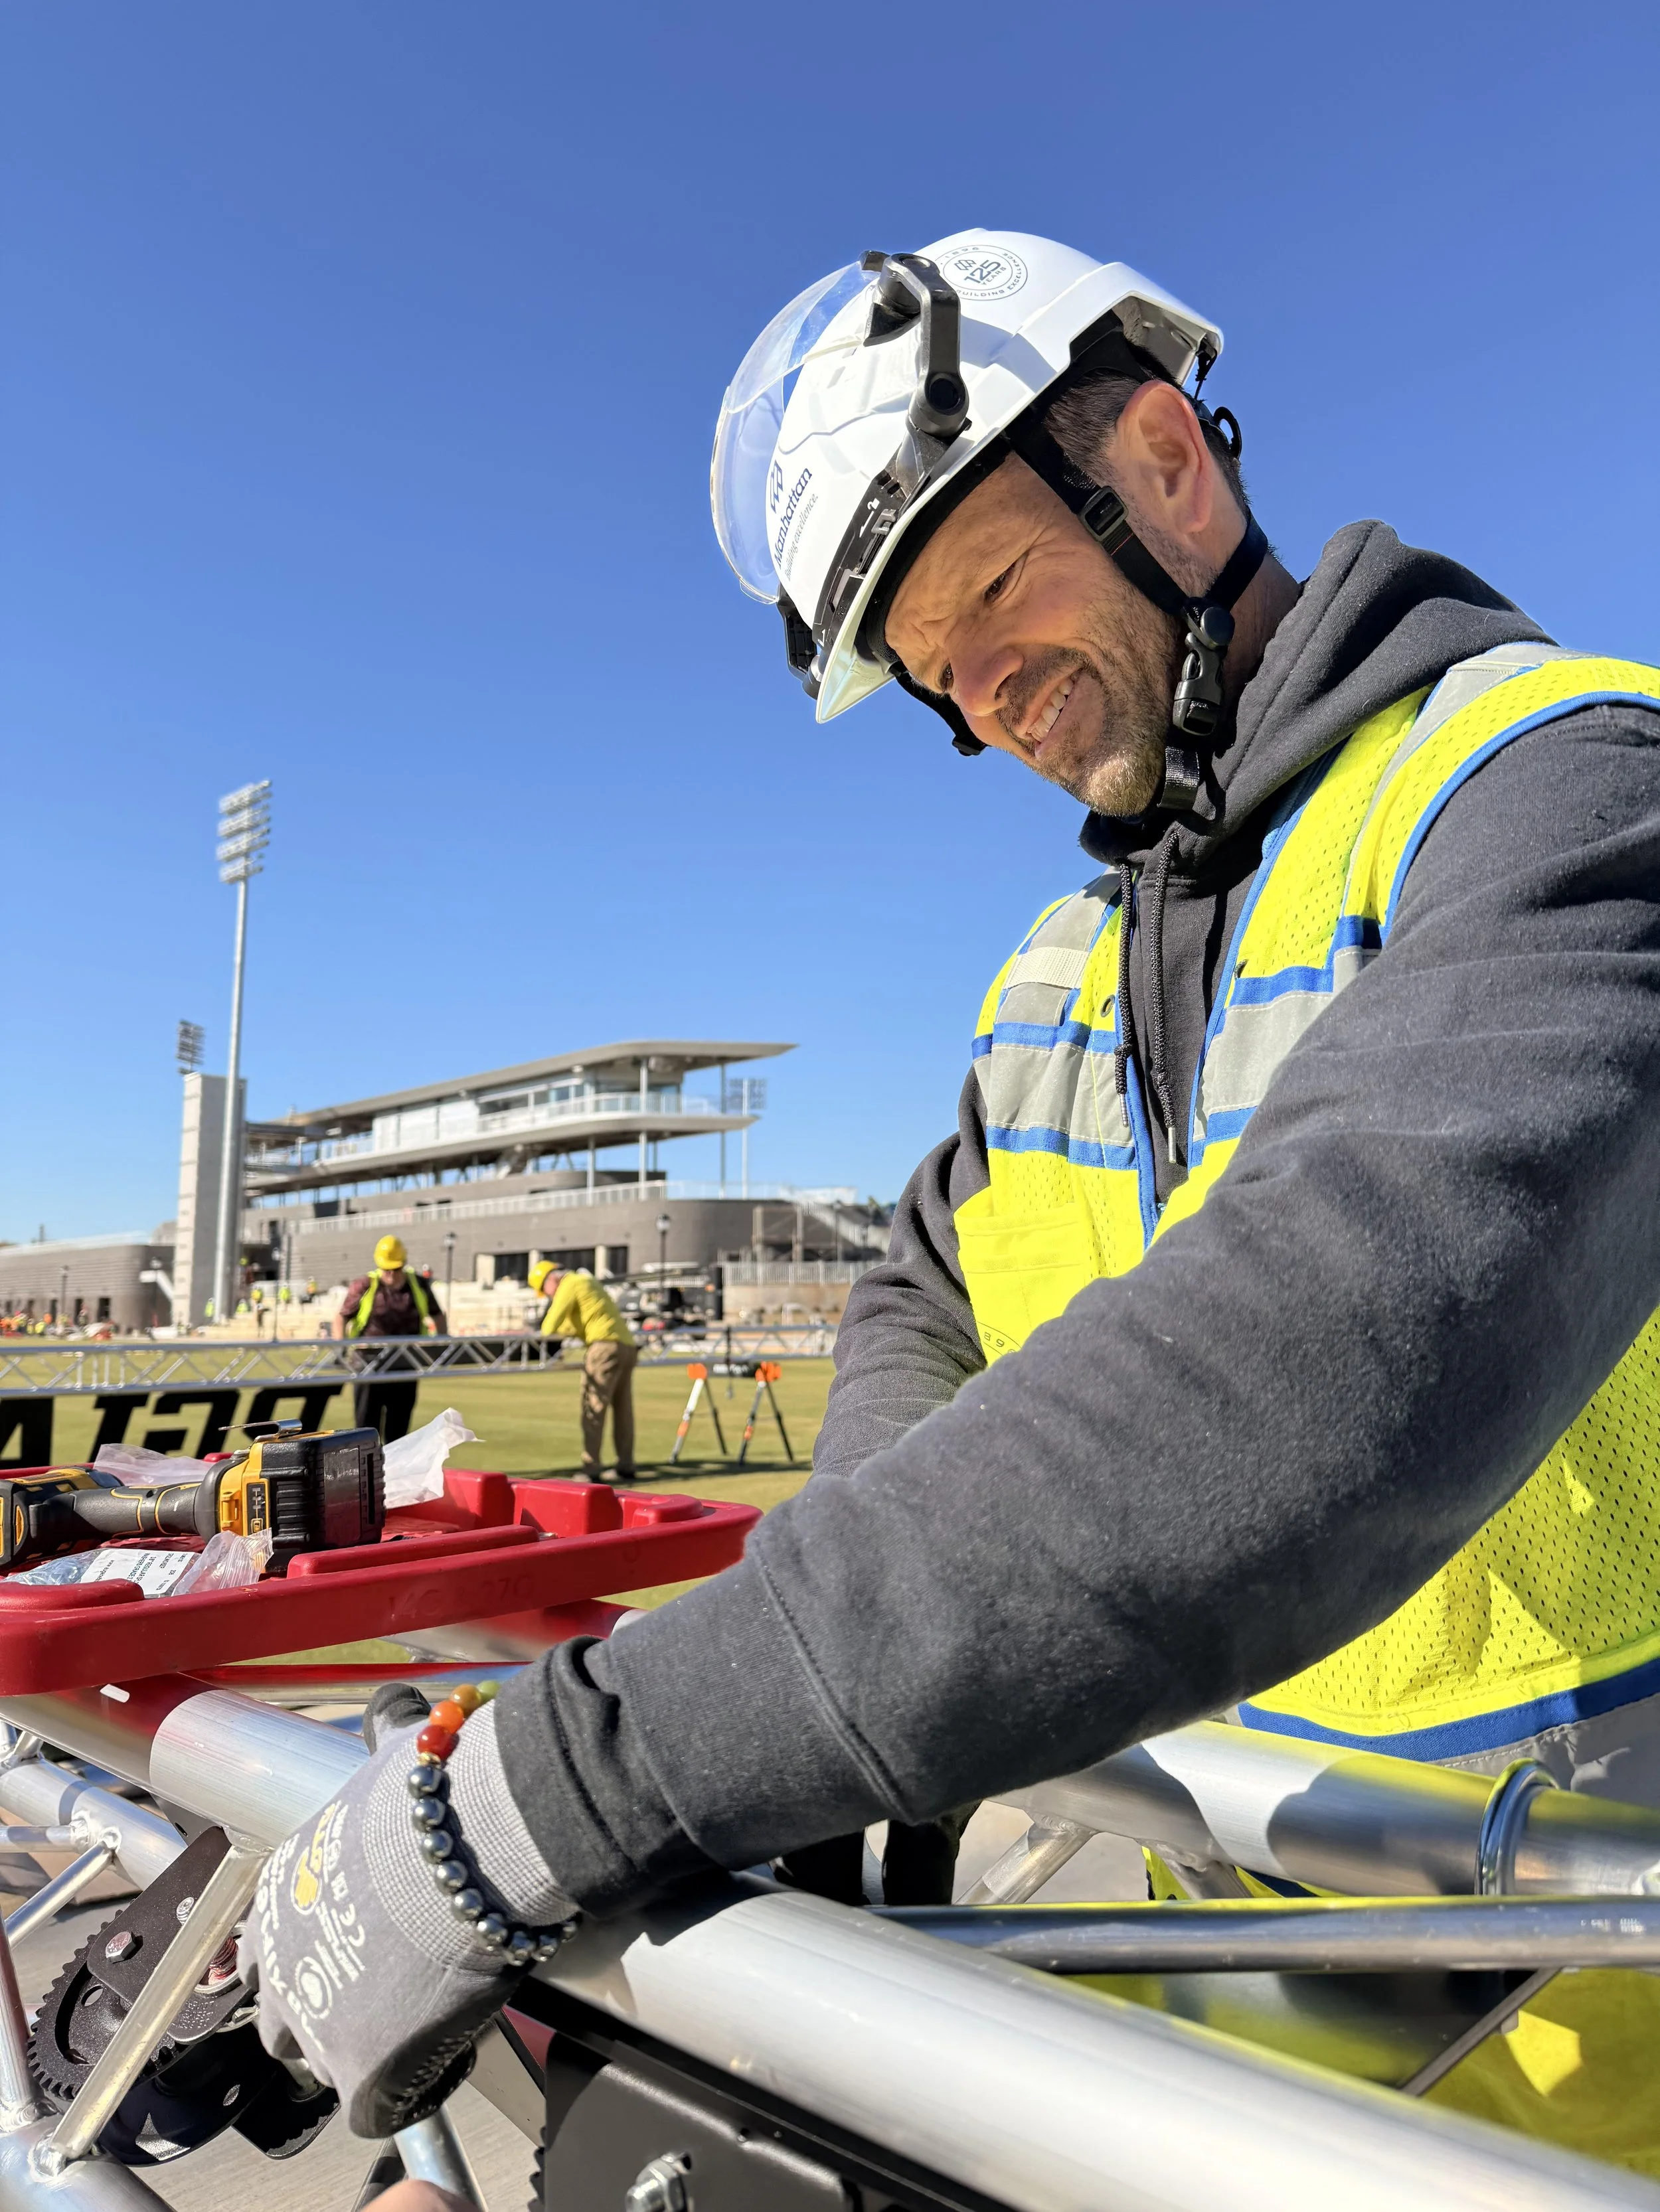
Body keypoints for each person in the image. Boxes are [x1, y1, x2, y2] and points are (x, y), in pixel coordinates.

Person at [249, 230, 1660, 2164]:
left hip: (1596, 2063)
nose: (985, 700)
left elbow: (1319, 1363)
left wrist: (559, 1787)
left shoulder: (1557, 791)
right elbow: (925, 1294)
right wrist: (824, 1746)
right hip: (1261, 2030)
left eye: (991, 593)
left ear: (1165, 461)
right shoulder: (1055, 978)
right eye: (931, 677)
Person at [529, 1259, 637, 1480]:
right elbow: (577, 1324)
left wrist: (536, 1332)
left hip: (603, 1348)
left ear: (552, 1279)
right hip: (626, 1346)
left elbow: (549, 1326)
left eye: (544, 1290)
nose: (547, 1296)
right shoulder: (588, 1282)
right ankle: (626, 1464)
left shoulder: (571, 1284)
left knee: (593, 1408)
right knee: (623, 1411)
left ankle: (591, 1468)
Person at [335, 1233, 444, 1443]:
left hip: (405, 1364)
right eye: (387, 1269)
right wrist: (341, 1347)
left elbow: (437, 1315)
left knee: (399, 1431)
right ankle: (368, 1473)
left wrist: (441, 1346)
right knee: (366, 1431)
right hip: (368, 1365)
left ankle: (394, 1472)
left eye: (396, 1269)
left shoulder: (418, 1285)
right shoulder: (365, 1285)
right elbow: (342, 1317)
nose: (391, 1275)